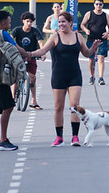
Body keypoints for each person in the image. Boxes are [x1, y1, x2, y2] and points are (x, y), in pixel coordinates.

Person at [33, 11, 101, 147]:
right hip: (58, 76)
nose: (61, 24)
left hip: (75, 75)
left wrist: (93, 48)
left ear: (70, 23)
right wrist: (28, 54)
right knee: (58, 107)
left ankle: (75, 137)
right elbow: (43, 50)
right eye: (59, 22)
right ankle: (59, 137)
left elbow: (87, 53)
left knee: (74, 106)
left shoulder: (78, 36)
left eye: (64, 21)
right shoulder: (55, 37)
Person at [0, 10, 29, 151]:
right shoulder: (2, 33)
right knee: (8, 106)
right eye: (9, 22)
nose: (10, 24)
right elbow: (17, 49)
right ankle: (3, 140)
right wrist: (29, 54)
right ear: (4, 23)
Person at [12, 11, 46, 110]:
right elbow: (11, 39)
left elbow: (40, 42)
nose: (29, 23)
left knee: (32, 78)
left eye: (31, 22)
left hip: (31, 56)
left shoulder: (35, 31)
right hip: (19, 57)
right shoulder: (17, 30)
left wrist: (42, 53)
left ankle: (33, 100)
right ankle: (13, 97)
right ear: (23, 21)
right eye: (27, 21)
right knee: (16, 77)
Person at [80, 0, 109, 85]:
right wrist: (86, 30)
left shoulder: (106, 15)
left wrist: (107, 33)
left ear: (102, 5)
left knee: (101, 58)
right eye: (97, 4)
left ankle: (101, 78)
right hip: (91, 39)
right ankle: (92, 76)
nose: (98, 6)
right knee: (91, 59)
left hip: (102, 40)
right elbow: (82, 25)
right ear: (94, 5)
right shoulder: (89, 14)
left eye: (100, 4)